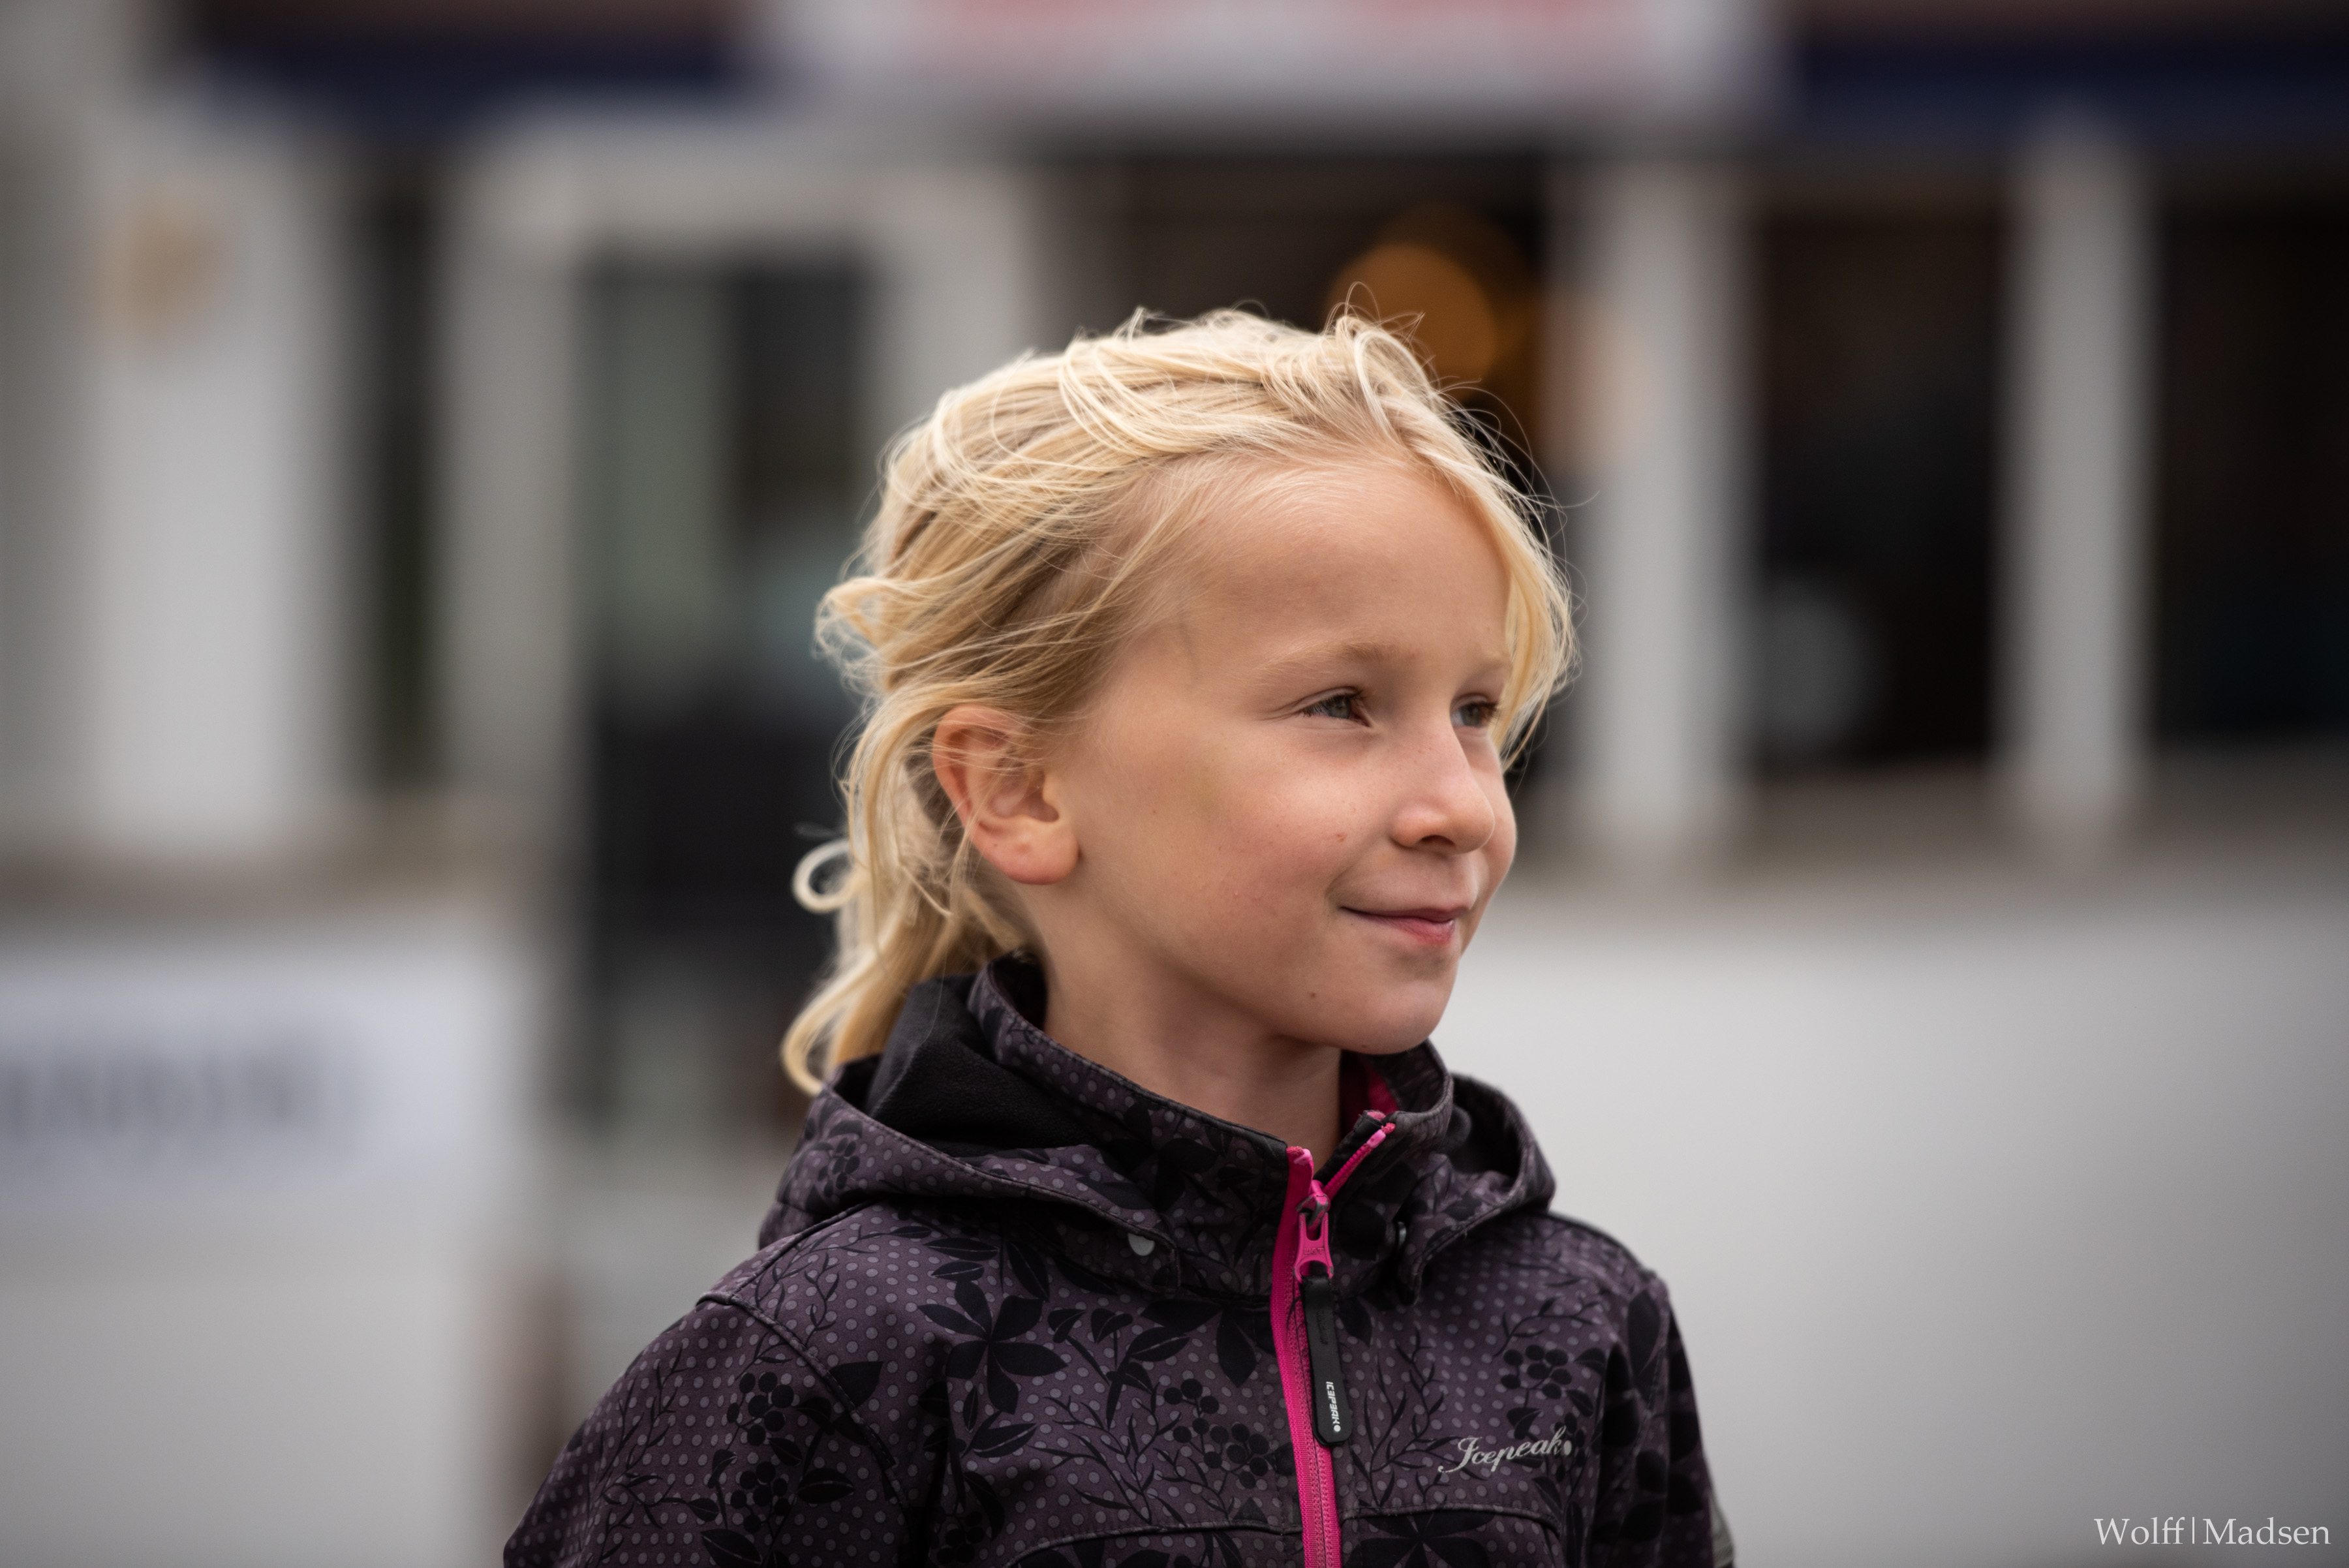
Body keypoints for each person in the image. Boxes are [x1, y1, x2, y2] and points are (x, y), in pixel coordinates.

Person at [508, 311, 1730, 1568]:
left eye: (1476, 711)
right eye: (1340, 705)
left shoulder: (1580, 1326)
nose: (1463, 807)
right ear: (1019, 790)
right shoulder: (835, 1357)